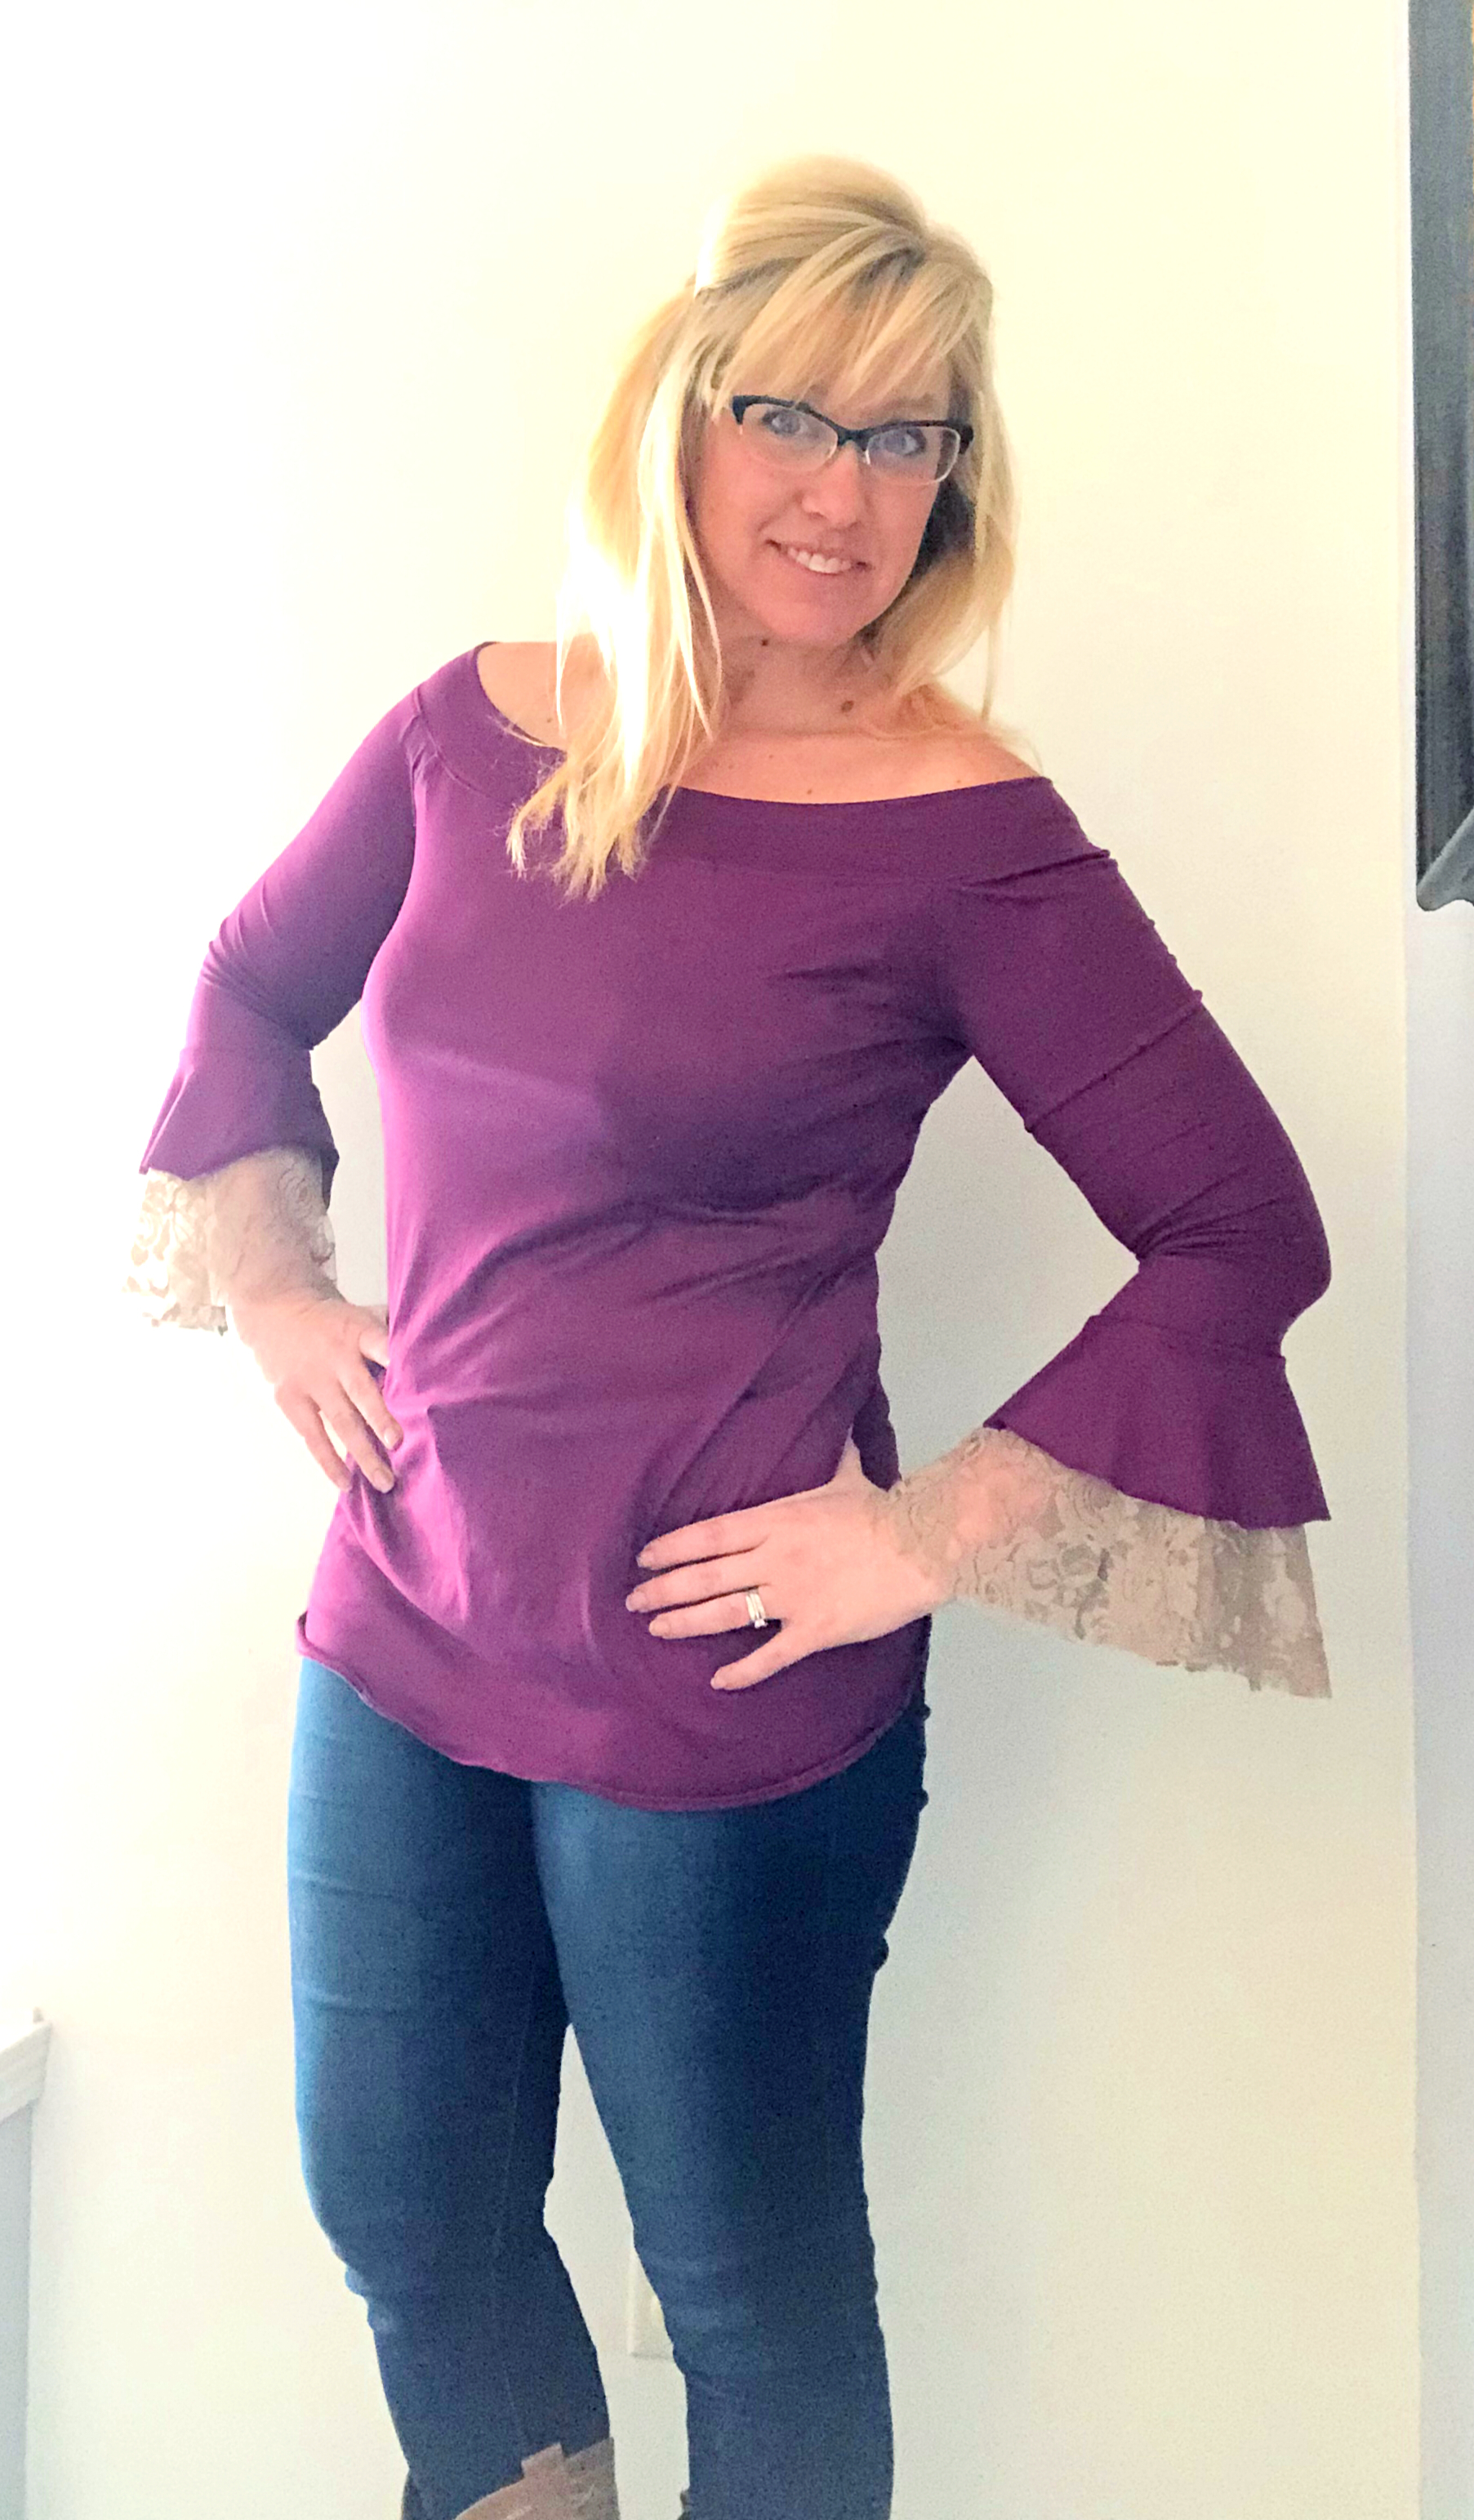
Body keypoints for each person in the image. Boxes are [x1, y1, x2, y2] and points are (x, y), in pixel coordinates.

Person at [127, 156, 1332, 2520]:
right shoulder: (473, 729)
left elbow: (1235, 1229)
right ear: (679, 414)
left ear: (955, 478)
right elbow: (252, 988)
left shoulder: (968, 830)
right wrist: (274, 1291)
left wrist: (923, 1531)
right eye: (795, 415)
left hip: (719, 1679)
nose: (845, 492)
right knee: (403, 2210)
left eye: (908, 436)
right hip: (406, 1611)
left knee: (748, 2300)